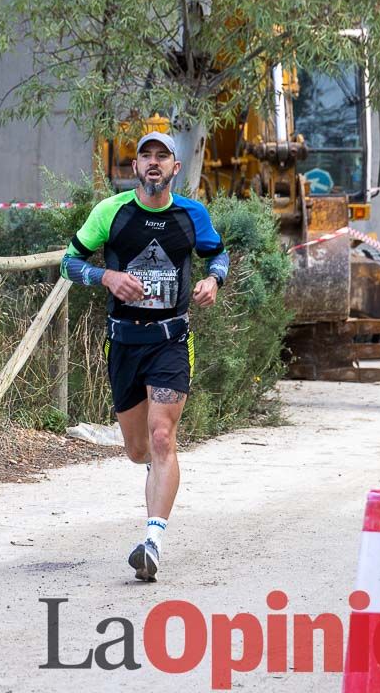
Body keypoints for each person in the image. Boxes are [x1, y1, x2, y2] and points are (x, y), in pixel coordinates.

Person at [61, 131, 229, 582]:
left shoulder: (192, 215)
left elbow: (219, 256)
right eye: (145, 156)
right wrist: (105, 276)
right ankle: (157, 476)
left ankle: (152, 541)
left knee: (161, 437)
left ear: (176, 168)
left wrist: (214, 280)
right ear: (134, 167)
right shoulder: (111, 213)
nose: (153, 162)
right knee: (138, 451)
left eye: (163, 156)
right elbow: (68, 262)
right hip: (124, 343)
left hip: (171, 340)